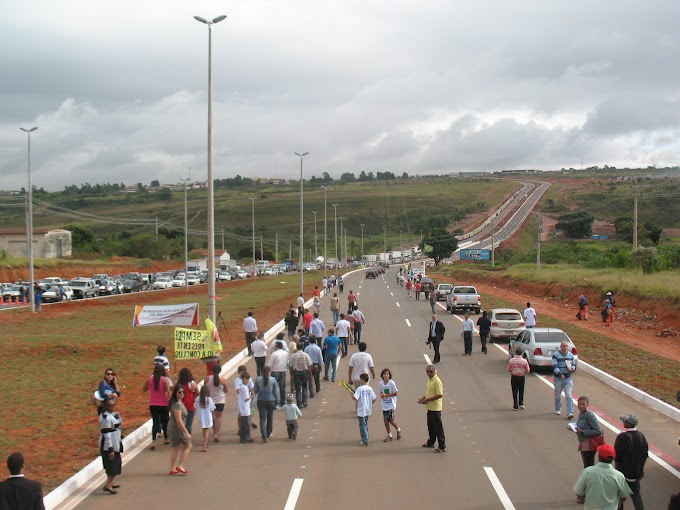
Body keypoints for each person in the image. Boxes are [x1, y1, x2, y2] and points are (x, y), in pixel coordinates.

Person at [573, 444, 632, 510]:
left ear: (599, 457)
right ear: (614, 457)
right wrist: (618, 504)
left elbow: (579, 493)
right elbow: (623, 496)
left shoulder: (587, 472)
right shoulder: (619, 476)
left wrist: (586, 501)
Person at [614, 414, 648, 510]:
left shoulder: (622, 437)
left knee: (620, 495)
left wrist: (617, 468)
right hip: (636, 473)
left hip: (623, 473)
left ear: (629, 423)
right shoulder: (641, 436)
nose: (623, 422)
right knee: (636, 495)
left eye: (625, 421)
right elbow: (645, 454)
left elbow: (617, 455)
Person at [143, 363, 171, 450]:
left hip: (153, 404)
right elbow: (168, 392)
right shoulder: (164, 380)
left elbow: (144, 389)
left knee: (155, 422)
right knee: (165, 422)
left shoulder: (150, 379)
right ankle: (166, 438)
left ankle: (154, 441)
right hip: (163, 403)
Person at [418, 365, 446, 453]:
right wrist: (423, 398)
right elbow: (430, 392)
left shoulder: (437, 381)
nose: (429, 373)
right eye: (427, 372)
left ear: (434, 371)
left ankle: (442, 446)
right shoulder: (430, 380)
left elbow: (439, 394)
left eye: (431, 371)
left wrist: (427, 400)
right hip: (430, 407)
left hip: (435, 408)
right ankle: (431, 442)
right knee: (431, 426)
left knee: (438, 427)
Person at [99, 394, 123, 492]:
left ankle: (111, 482)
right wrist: (110, 450)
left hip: (115, 442)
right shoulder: (105, 418)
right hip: (109, 445)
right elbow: (107, 435)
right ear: (105, 406)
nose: (112, 407)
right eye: (110, 406)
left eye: (114, 405)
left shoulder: (111, 415)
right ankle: (108, 485)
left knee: (114, 464)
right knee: (113, 465)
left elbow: (118, 424)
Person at [572, 396, 604, 468]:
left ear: (587, 405)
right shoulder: (581, 414)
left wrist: (583, 431)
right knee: (586, 466)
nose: (581, 406)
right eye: (579, 404)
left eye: (583, 404)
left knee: (588, 466)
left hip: (589, 446)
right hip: (583, 444)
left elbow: (598, 431)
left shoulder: (589, 415)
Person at [168, 384, 191, 475]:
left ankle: (172, 468)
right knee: (188, 445)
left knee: (176, 447)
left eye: (183, 392)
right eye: (179, 392)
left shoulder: (177, 403)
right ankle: (180, 465)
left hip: (173, 427)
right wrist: (186, 432)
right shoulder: (177, 405)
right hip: (177, 429)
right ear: (175, 393)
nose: (182, 394)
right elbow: (179, 420)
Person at [253, 366, 280, 443]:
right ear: (269, 371)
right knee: (270, 417)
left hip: (261, 400)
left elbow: (255, 390)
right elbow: (275, 392)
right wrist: (277, 401)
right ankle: (268, 433)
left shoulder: (258, 379)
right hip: (271, 400)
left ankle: (264, 435)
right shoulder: (273, 379)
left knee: (262, 418)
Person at [204, 364, 228, 442]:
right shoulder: (222, 379)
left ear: (212, 370)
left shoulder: (207, 379)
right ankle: (216, 433)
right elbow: (226, 390)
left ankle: (214, 431)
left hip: (210, 400)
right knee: (218, 417)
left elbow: (205, 389)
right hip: (220, 400)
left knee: (212, 417)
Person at [552, 340, 577, 417]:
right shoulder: (555, 355)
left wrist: (572, 368)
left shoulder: (570, 355)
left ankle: (570, 412)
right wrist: (560, 374)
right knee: (557, 395)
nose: (565, 347)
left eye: (566, 346)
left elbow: (573, 364)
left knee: (568, 395)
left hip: (568, 378)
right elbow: (554, 366)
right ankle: (558, 408)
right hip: (558, 378)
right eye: (563, 346)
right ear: (560, 346)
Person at [351, 373, 376, 446]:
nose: (359, 380)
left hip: (362, 409)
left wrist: (350, 392)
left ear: (363, 380)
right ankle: (366, 437)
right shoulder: (369, 388)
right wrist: (369, 403)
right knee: (365, 423)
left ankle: (365, 440)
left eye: (360, 379)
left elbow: (354, 398)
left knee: (362, 424)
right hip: (368, 409)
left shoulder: (359, 389)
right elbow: (374, 398)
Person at [378, 368, 402, 442]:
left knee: (391, 420)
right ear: (382, 375)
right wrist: (382, 395)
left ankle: (398, 429)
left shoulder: (391, 383)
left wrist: (386, 395)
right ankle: (389, 435)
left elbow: (395, 393)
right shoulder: (380, 384)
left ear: (389, 375)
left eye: (387, 374)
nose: (386, 375)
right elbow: (381, 392)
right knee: (385, 420)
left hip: (391, 404)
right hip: (384, 405)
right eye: (384, 374)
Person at [289, 342, 313, 408]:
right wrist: (310, 375)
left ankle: (299, 403)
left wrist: (291, 375)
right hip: (304, 372)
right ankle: (305, 401)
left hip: (296, 373)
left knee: (298, 388)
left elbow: (290, 366)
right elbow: (309, 366)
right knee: (304, 387)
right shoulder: (306, 355)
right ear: (303, 347)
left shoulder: (293, 356)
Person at [177, 368, 199, 435]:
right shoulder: (192, 384)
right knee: (189, 424)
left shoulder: (178, 385)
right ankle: (187, 438)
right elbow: (198, 394)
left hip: (181, 407)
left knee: (181, 423)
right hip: (190, 406)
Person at [267, 342, 289, 407]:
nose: (273, 347)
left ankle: (275, 402)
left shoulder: (274, 354)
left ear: (277, 346)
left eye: (275, 346)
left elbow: (269, 364)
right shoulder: (286, 353)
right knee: (282, 388)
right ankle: (283, 401)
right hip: (283, 371)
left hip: (275, 372)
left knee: (274, 388)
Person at [195, 386, 215, 452]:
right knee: (206, 431)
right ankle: (205, 445)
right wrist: (213, 415)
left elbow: (195, 407)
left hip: (201, 416)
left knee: (204, 430)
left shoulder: (198, 399)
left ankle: (205, 442)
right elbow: (212, 409)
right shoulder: (209, 399)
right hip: (207, 417)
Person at [237, 372, 254, 443]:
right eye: (246, 379)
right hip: (245, 409)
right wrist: (252, 395)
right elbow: (246, 398)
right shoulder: (244, 388)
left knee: (243, 425)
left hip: (243, 409)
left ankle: (243, 438)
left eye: (248, 379)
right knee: (247, 425)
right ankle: (247, 438)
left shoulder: (243, 386)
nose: (247, 380)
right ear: (243, 379)